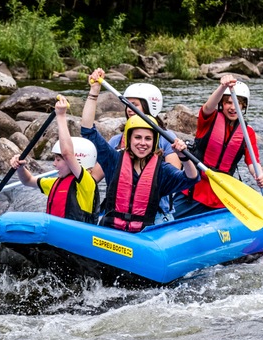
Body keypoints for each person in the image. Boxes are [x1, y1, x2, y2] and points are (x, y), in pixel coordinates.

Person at [81, 72, 200, 232]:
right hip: (116, 225)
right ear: (129, 140)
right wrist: (94, 92)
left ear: (154, 142)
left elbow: (190, 178)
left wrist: (184, 157)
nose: (142, 143)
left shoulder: (161, 169)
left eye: (148, 139)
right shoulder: (114, 159)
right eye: (137, 137)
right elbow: (88, 131)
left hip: (151, 225)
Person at [170, 74, 263, 219]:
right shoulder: (209, 119)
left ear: (244, 106)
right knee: (169, 219)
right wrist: (222, 87)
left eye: (238, 103)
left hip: (222, 193)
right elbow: (208, 106)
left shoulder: (248, 133)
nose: (233, 107)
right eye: (228, 102)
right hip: (194, 189)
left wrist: (259, 175)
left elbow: (253, 162)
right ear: (222, 104)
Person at [10, 96, 99, 223]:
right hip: (55, 236)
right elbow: (28, 181)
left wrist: (61, 116)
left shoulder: (86, 184)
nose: (54, 164)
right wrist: (20, 167)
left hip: (77, 238)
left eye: (58, 160)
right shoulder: (55, 183)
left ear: (78, 160)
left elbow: (67, 153)